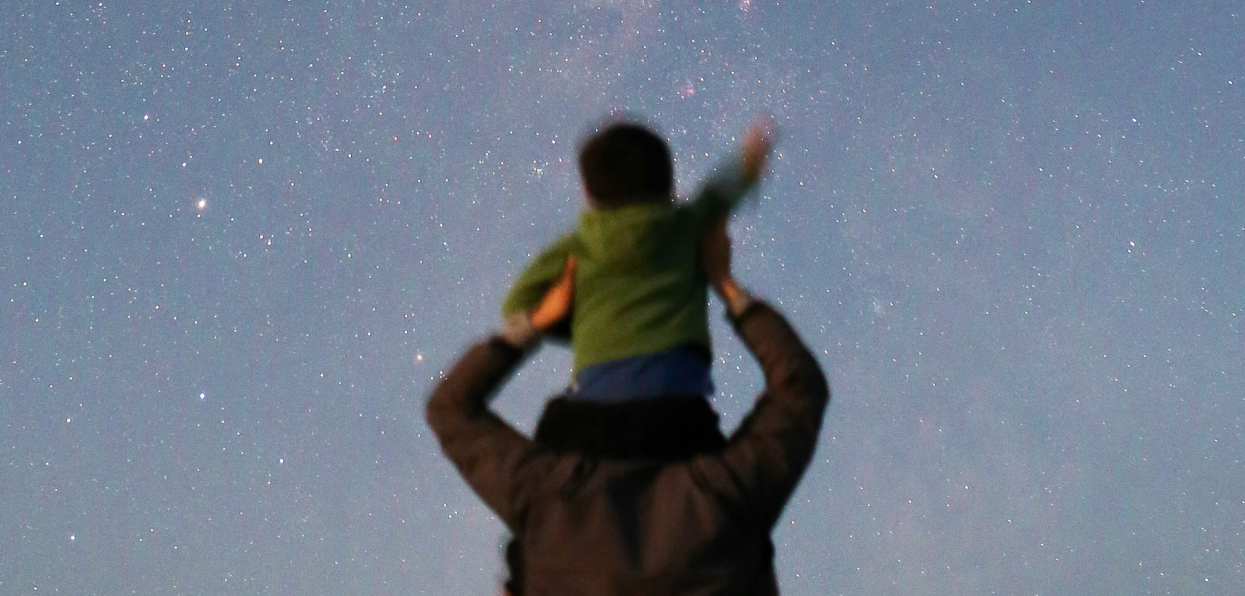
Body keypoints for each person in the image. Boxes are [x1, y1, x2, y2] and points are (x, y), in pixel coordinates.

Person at [426, 220, 830, 595]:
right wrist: (726, 285)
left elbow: (452, 408)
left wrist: (535, 320)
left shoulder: (553, 504)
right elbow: (800, 390)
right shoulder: (720, 501)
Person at [500, 118, 773, 403]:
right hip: (680, 384)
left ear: (587, 193)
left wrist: (584, 325)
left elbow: (516, 306)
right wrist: (749, 163)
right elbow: (719, 195)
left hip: (598, 386)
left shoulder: (576, 249)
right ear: (669, 183)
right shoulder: (687, 225)